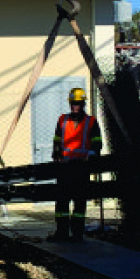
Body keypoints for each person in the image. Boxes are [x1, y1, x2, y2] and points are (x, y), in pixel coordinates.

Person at [50, 87, 103, 241]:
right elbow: (57, 140)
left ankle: (77, 233)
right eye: (73, 103)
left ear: (83, 104)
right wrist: (57, 153)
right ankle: (62, 232)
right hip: (64, 167)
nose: (75, 106)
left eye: (78, 103)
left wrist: (91, 156)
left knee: (79, 202)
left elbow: (97, 144)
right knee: (62, 201)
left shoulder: (91, 122)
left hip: (81, 168)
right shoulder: (62, 120)